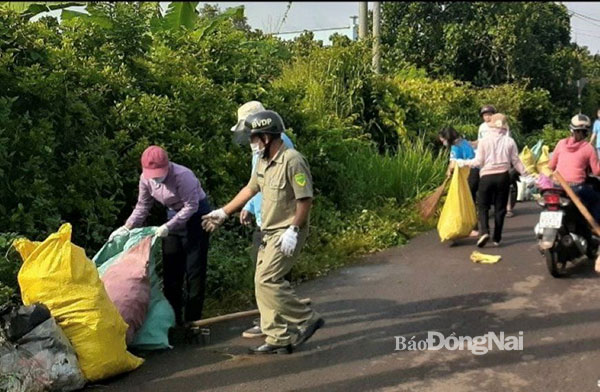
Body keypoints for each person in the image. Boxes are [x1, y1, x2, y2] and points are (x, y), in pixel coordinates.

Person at [202, 110, 324, 355]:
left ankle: (306, 318)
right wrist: (224, 212)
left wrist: (293, 229)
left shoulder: (292, 160)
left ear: (266, 137)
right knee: (261, 282)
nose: (251, 144)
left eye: (253, 138)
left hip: (287, 231)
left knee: (268, 279)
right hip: (268, 231)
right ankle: (279, 337)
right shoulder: (263, 162)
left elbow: (305, 199)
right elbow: (250, 189)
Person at [109, 146, 212, 327]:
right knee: (172, 274)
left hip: (195, 219)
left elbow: (191, 206)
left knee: (194, 273)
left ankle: (193, 322)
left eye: (159, 173)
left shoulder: (183, 176)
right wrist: (126, 227)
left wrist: (167, 226)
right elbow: (142, 207)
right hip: (172, 219)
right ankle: (174, 322)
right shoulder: (145, 180)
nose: (156, 177)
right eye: (152, 174)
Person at [230, 101, 295, 339]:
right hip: (265, 218)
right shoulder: (260, 143)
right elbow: (256, 181)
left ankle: (274, 323)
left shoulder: (278, 145)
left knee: (269, 275)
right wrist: (248, 206)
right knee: (267, 273)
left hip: (276, 222)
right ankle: (276, 319)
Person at [453, 114, 530, 248]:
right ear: (505, 127)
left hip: (486, 177)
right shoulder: (510, 142)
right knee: (500, 208)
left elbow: (478, 162)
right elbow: (516, 161)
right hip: (503, 177)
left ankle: (485, 232)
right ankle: (497, 238)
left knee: (483, 206)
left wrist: (462, 163)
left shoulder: (484, 141)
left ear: (491, 126)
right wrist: (526, 174)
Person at [548, 114, 600, 223]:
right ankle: (595, 226)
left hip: (557, 186)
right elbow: (596, 171)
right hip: (577, 187)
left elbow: (551, 166)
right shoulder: (588, 148)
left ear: (571, 130)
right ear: (586, 132)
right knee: (596, 199)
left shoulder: (561, 143)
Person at [439, 127, 479, 238]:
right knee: (472, 200)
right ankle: (473, 226)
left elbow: (453, 163)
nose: (443, 143)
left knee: (467, 201)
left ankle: (472, 228)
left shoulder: (455, 147)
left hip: (468, 174)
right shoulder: (464, 142)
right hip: (476, 171)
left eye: (443, 140)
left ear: (448, 138)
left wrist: (448, 171)